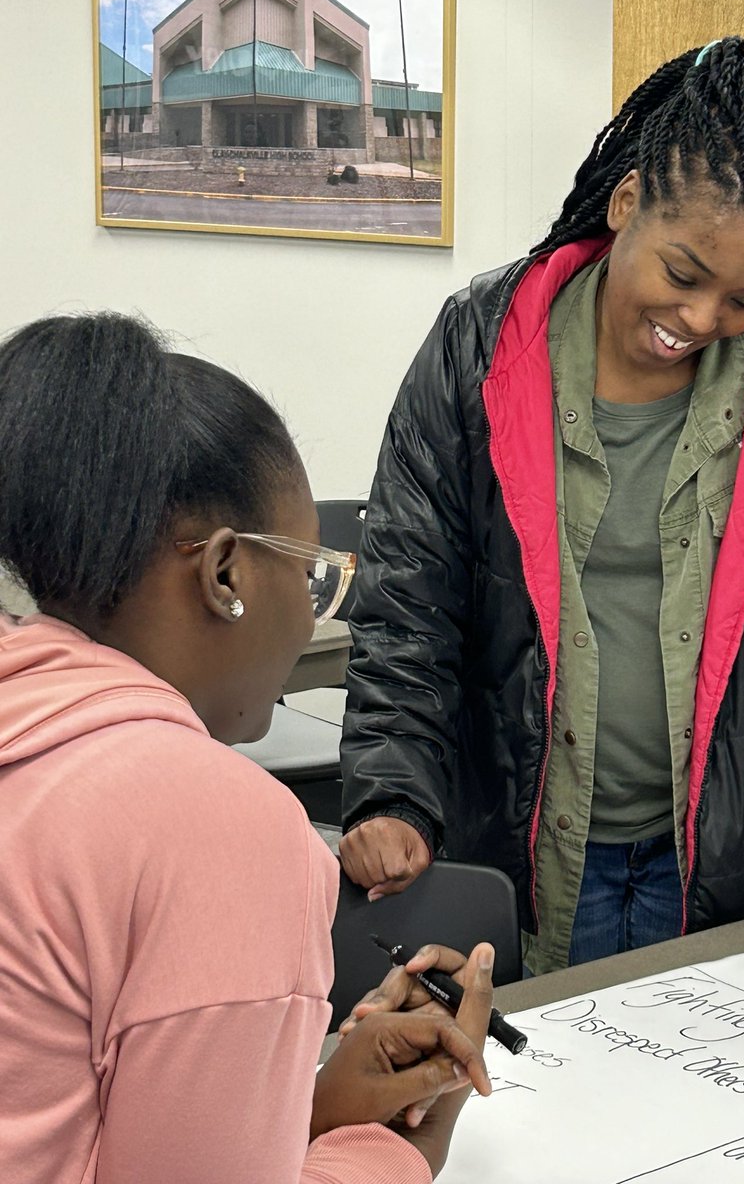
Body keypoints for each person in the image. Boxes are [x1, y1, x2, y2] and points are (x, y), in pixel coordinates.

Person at [339, 36, 744, 977]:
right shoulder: (482, 348)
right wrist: (391, 794)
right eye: (683, 275)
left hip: (725, 865)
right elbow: (408, 600)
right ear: (628, 201)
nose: (701, 320)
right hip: (533, 854)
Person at [0, 312, 495, 1183]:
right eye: (309, 573)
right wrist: (394, 1148)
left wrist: (310, 1104)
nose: (312, 615)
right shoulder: (220, 828)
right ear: (224, 573)